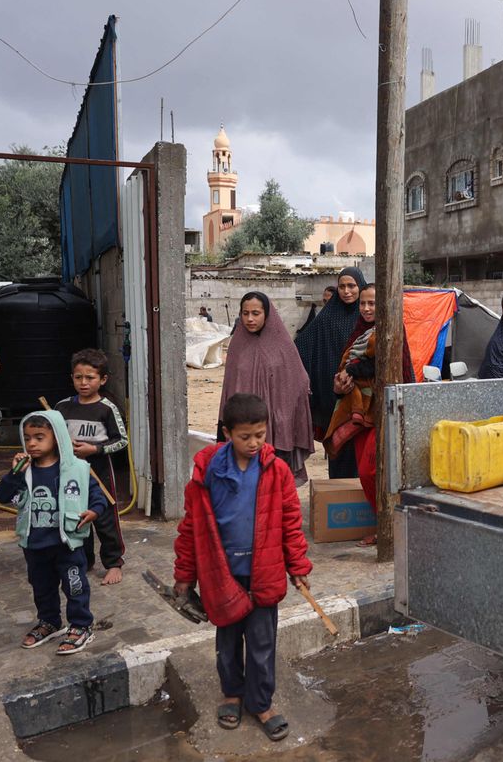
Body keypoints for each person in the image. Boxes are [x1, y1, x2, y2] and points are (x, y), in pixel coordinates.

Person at [174, 393, 312, 742]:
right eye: (245, 436)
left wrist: (297, 566)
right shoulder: (208, 472)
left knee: (263, 643)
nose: (254, 443)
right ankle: (232, 694)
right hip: (221, 573)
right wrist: (184, 576)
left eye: (260, 435)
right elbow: (192, 527)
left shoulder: (277, 471)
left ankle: (261, 703)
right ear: (227, 433)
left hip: (264, 570)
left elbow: (291, 523)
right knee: (228, 640)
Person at [0, 410, 105, 654]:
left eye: (39, 437)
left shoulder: (77, 468)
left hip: (67, 543)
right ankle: (49, 622)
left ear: (56, 438)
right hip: (35, 544)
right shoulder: (24, 471)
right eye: (27, 438)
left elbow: (97, 495)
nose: (32, 443)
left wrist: (94, 511)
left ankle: (81, 625)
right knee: (41, 587)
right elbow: (3, 496)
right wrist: (15, 473)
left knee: (75, 586)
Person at [325, 283, 414, 544]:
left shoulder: (392, 331)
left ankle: (395, 527)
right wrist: (340, 384)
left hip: (386, 412)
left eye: (372, 303)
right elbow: (347, 366)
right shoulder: (358, 333)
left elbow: (383, 364)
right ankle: (384, 526)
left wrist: (352, 371)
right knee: (366, 474)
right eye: (363, 303)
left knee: (376, 471)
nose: (366, 308)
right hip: (361, 413)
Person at [219, 292, 316, 486]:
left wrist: (283, 415)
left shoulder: (282, 345)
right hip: (244, 429)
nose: (250, 319)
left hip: (278, 429)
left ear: (267, 314)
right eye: (245, 313)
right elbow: (230, 386)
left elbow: (299, 380)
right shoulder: (237, 346)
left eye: (256, 313)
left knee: (275, 486)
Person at [53, 349, 128, 586]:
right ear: (72, 378)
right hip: (71, 473)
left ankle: (114, 563)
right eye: (78, 377)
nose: (83, 383)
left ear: (102, 379)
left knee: (105, 518)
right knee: (76, 514)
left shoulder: (107, 408)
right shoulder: (61, 408)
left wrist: (94, 449)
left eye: (90, 378)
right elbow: (52, 437)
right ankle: (83, 560)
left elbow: (121, 441)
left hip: (100, 472)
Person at [295, 267, 364, 477]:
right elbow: (302, 346)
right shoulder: (327, 317)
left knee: (363, 451)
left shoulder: (367, 315)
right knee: (339, 449)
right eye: (342, 286)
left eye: (351, 286)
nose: (347, 291)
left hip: (364, 397)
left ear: (360, 287)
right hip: (334, 397)